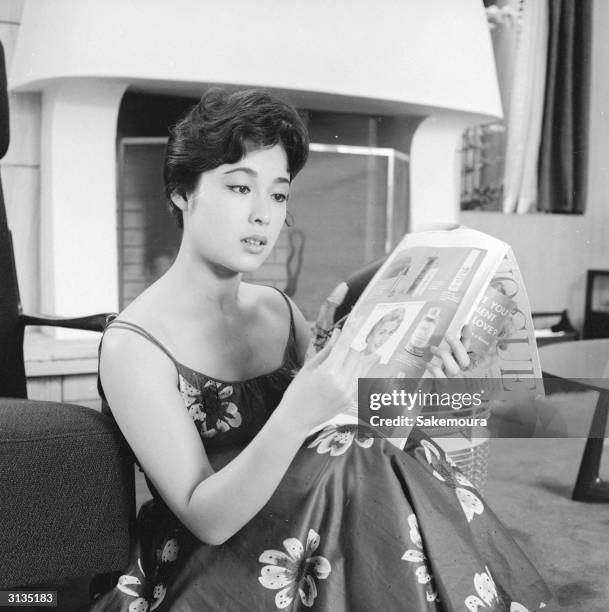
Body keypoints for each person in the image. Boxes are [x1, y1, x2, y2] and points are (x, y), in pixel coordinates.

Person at [88, 88, 550, 611]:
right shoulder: (134, 345)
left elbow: (363, 434)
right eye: (240, 187)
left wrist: (422, 377)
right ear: (181, 192)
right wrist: (297, 413)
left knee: (369, 448)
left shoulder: (279, 311)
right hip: (216, 558)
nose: (263, 215)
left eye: (279, 194)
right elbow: (206, 518)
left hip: (318, 527)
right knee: (360, 457)